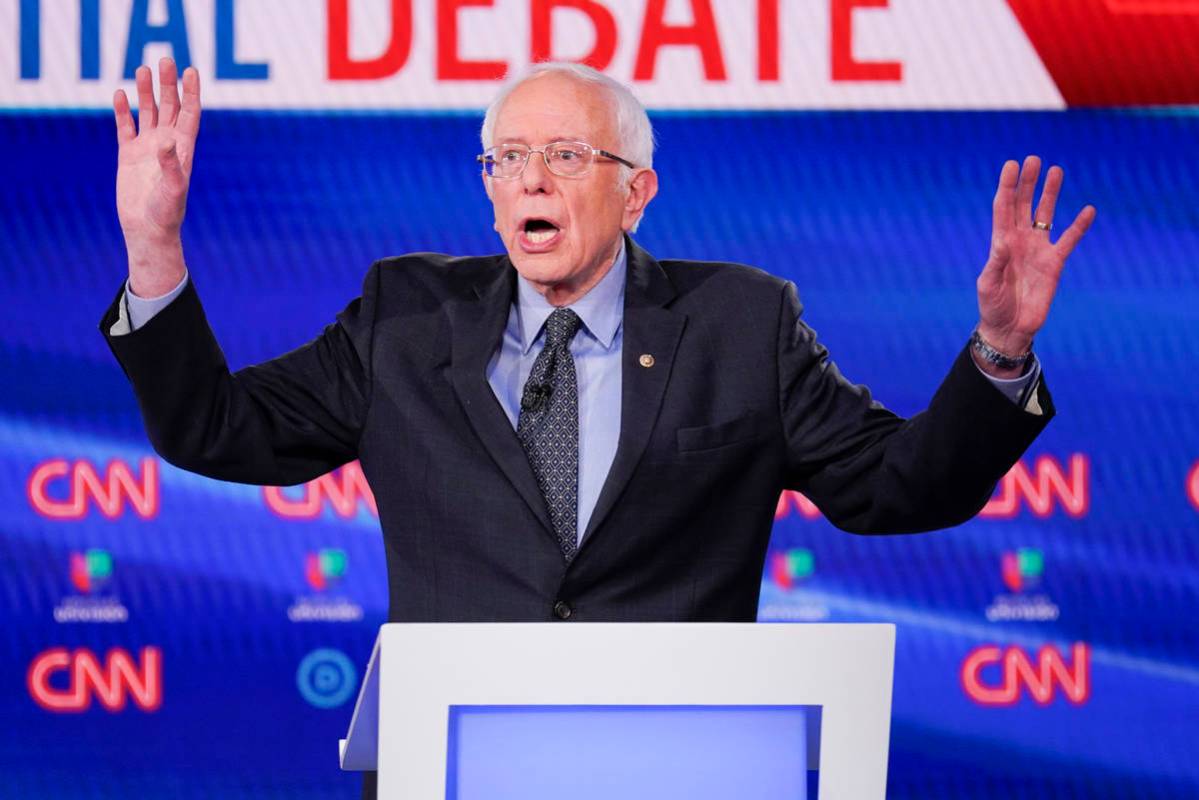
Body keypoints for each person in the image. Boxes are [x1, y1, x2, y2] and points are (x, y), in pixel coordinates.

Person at [102, 57, 1093, 795]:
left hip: (682, 766)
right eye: (509, 159)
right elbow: (215, 428)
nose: (531, 179)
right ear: (488, 188)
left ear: (636, 190)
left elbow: (896, 485)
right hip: (452, 770)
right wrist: (153, 249)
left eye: (566, 156)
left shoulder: (739, 324)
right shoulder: (403, 319)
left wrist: (997, 352)